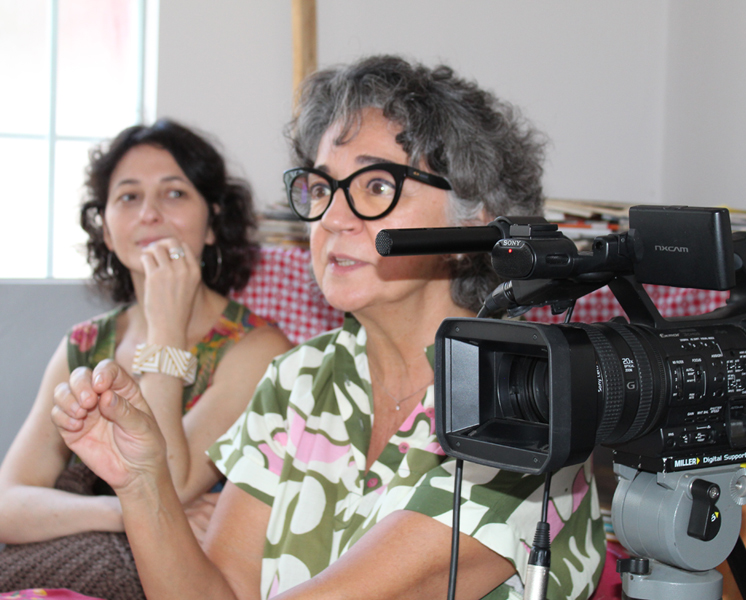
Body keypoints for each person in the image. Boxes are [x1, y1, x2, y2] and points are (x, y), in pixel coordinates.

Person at [51, 56, 605, 600]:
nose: (334, 219)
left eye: (376, 187)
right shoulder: (297, 378)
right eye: (321, 189)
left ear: (477, 222)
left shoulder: (529, 394)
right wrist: (142, 483)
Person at [0, 119, 293, 598]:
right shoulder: (86, 341)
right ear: (108, 233)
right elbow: (8, 504)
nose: (150, 214)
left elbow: (169, 485)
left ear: (213, 222)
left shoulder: (258, 349)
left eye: (174, 194)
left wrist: (165, 330)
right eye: (129, 197)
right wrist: (115, 515)